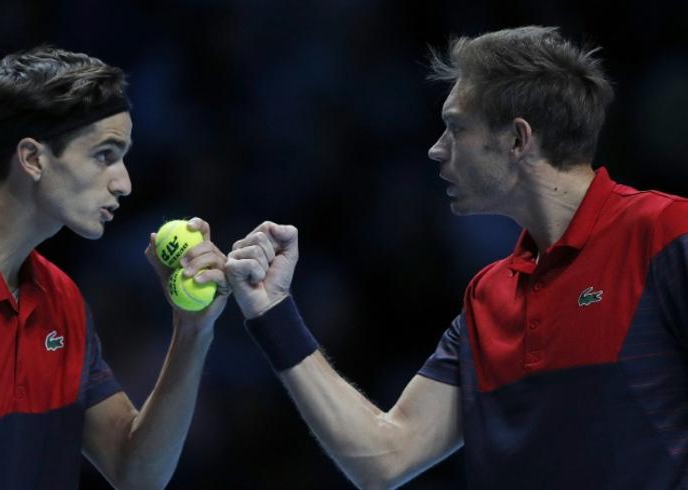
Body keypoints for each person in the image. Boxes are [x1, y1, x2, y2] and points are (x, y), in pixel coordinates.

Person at [225, 26, 688, 489]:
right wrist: (272, 311)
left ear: (517, 139)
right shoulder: (486, 299)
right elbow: (385, 457)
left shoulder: (666, 234)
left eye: (456, 127)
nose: (436, 148)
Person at [0, 46, 230, 489]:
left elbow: (137, 474)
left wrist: (193, 332)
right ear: (33, 158)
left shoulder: (62, 299)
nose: (125, 183)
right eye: (104, 155)